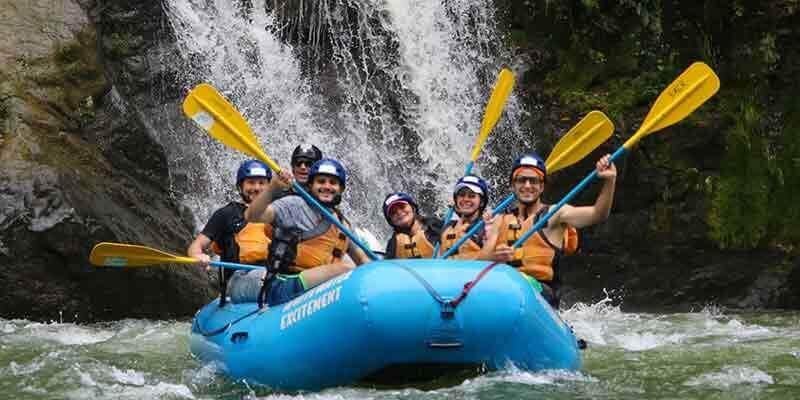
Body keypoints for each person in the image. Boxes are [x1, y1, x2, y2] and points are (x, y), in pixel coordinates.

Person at [485, 152, 616, 308]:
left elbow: (598, 214)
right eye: (521, 180)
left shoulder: (555, 214)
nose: (527, 185)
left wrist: (610, 180)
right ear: (513, 186)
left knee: (516, 281)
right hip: (504, 292)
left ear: (541, 187)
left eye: (533, 181)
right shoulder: (499, 220)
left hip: (542, 296)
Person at [236, 158, 370, 307]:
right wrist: (272, 188)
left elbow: (364, 261)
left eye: (333, 182)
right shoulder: (294, 205)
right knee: (346, 269)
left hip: (323, 293)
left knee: (355, 270)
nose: (327, 186)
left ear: (341, 189)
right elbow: (252, 216)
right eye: (321, 181)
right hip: (282, 286)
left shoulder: (342, 224)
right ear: (311, 185)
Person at [187, 159, 273, 305]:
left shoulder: (280, 211)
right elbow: (196, 246)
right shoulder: (226, 214)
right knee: (271, 279)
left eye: (261, 183)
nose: (257, 188)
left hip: (273, 274)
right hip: (239, 278)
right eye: (251, 183)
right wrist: (198, 256)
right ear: (240, 186)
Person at [438, 175, 492, 260]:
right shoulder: (447, 227)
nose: (466, 199)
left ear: (481, 202)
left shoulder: (488, 228)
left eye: (471, 196)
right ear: (456, 200)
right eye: (462, 195)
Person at [382, 192, 442, 259]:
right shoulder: (393, 245)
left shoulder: (436, 226)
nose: (399, 212)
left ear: (413, 208)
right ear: (391, 221)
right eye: (393, 213)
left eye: (402, 207)